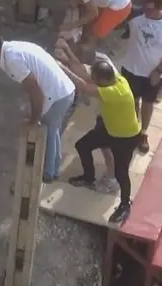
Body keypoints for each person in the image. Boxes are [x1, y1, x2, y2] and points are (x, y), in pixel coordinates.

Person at [54, 44, 141, 224]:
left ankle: (125, 205)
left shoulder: (114, 92)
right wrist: (69, 54)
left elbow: (83, 85)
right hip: (110, 129)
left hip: (126, 138)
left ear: (101, 80)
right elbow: (86, 76)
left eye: (95, 79)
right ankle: (89, 178)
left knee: (121, 173)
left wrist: (61, 67)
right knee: (82, 146)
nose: (92, 80)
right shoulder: (117, 78)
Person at [0, 35, 75, 183]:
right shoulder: (15, 47)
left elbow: (34, 90)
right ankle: (53, 170)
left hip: (57, 96)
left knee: (48, 132)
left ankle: (48, 173)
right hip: (64, 90)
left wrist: (33, 119)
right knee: (53, 130)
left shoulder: (12, 59)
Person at [120, 0, 162, 153]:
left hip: (151, 73)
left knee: (148, 103)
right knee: (131, 100)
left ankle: (143, 132)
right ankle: (133, 130)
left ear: (160, 8)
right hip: (131, 68)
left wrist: (159, 70)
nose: (147, 12)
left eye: (151, 10)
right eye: (146, 8)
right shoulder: (135, 14)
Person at [48, 0, 132, 61]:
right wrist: (79, 1)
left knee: (95, 33)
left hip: (120, 5)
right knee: (88, 25)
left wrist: (71, 25)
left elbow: (93, 13)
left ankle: (88, 59)